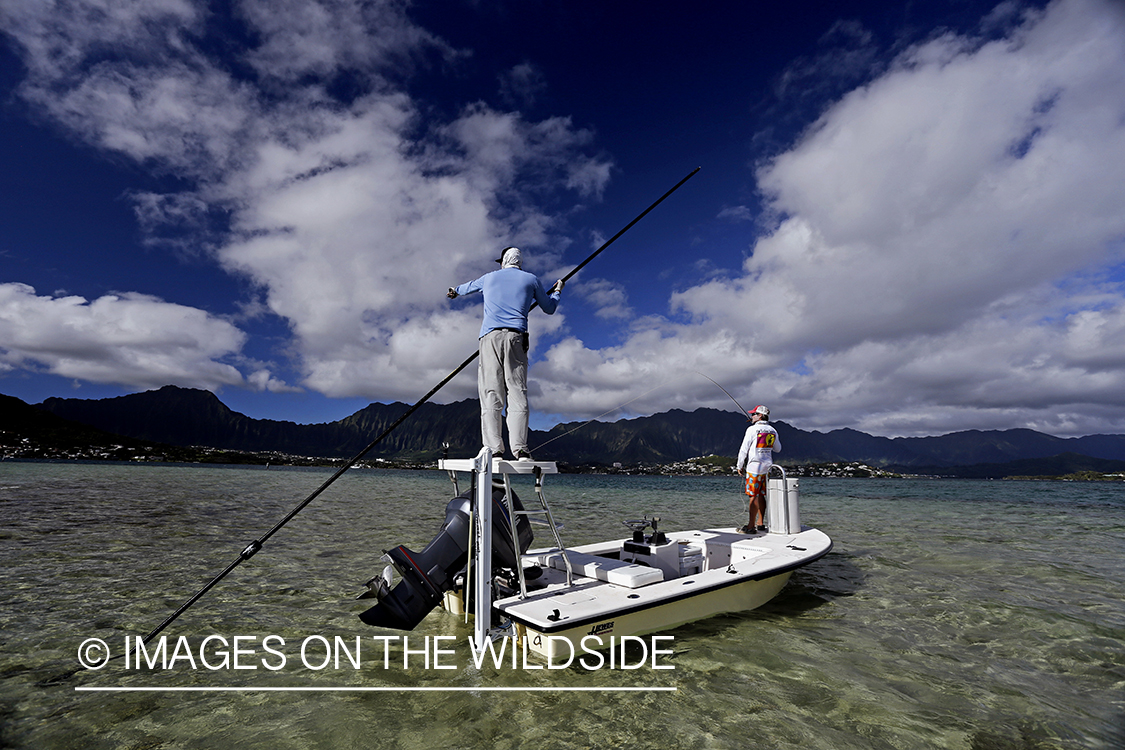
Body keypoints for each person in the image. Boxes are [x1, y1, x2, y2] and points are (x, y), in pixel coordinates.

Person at [447, 247, 563, 461]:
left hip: (490, 337)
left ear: (503, 261)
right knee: (517, 392)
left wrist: (454, 290)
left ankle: (494, 449)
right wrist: (557, 291)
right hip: (517, 338)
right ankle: (520, 450)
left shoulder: (489, 278)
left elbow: (465, 288)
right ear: (519, 261)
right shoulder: (532, 280)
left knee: (491, 391)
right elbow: (549, 308)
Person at [736, 404, 781, 534]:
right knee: (761, 495)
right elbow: (778, 449)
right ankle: (760, 523)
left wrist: (739, 465)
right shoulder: (773, 430)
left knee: (753, 496)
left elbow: (744, 449)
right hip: (767, 468)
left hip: (754, 468)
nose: (752, 416)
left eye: (754, 414)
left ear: (760, 415)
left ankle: (750, 526)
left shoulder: (751, 430)